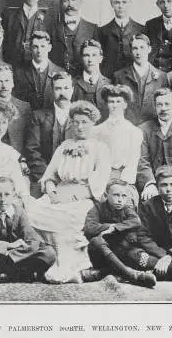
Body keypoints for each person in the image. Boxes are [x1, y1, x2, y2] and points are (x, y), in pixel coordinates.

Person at [26, 101, 111, 283]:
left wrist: (72, 196)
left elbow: (99, 183)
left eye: (84, 122)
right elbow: (49, 176)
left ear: (93, 123)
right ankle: (41, 263)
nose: (79, 127)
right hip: (58, 194)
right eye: (75, 122)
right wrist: (53, 194)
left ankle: (68, 267)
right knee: (31, 212)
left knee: (68, 218)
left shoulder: (100, 148)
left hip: (83, 197)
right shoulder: (64, 146)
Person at [0, 177, 56, 285]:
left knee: (49, 253)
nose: (2, 199)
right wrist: (9, 246)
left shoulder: (19, 211)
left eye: (7, 194)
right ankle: (19, 274)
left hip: (15, 256)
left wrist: (13, 254)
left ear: (14, 196)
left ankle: (2, 276)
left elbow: (32, 239)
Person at [81, 180, 157, 287]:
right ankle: (130, 274)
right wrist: (109, 226)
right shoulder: (97, 209)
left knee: (146, 260)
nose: (120, 200)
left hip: (122, 251)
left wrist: (115, 228)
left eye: (124, 196)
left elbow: (136, 221)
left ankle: (106, 272)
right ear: (106, 195)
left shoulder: (127, 209)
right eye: (116, 195)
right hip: (102, 254)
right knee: (96, 240)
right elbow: (89, 228)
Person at [24, 72, 75, 197]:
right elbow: (32, 150)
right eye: (58, 88)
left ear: (72, 90)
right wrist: (48, 178)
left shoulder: (80, 116)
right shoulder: (39, 116)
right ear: (52, 90)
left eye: (66, 88)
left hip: (73, 177)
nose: (62, 93)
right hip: (42, 175)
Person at [93, 85, 144, 187]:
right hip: (102, 177)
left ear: (125, 104)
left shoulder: (134, 131)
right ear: (107, 104)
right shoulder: (96, 131)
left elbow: (133, 161)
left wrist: (122, 182)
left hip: (125, 178)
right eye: (111, 102)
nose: (115, 105)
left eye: (118, 101)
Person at [112, 34, 169, 125]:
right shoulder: (119, 76)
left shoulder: (162, 76)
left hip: (153, 128)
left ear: (149, 49)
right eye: (135, 48)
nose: (138, 52)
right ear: (131, 51)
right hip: (128, 127)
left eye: (142, 47)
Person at [2, 0, 54, 68]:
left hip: (37, 66)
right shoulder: (10, 16)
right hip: (14, 65)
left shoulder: (48, 18)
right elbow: (5, 44)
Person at [95, 0, 146, 78]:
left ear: (130, 3)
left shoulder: (141, 30)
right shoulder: (102, 31)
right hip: (110, 78)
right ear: (111, 4)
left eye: (124, 2)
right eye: (117, 2)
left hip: (134, 78)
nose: (120, 6)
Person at [49, 0, 97, 75]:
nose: (70, 4)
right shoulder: (52, 29)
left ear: (80, 2)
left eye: (73, 0)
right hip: (60, 79)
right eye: (66, 0)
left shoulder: (92, 28)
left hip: (83, 77)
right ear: (61, 4)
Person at [12, 31, 65, 110]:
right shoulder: (19, 72)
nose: (39, 51)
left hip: (51, 118)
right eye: (35, 47)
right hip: (27, 117)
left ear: (49, 47)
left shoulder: (60, 72)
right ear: (30, 48)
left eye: (43, 46)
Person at [0, 66, 32, 155]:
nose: (4, 86)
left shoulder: (25, 107)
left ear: (13, 83)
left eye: (7, 81)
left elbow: (30, 140)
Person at [73, 40, 112, 117]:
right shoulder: (73, 84)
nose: (90, 60)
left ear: (100, 58)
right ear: (81, 58)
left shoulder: (109, 84)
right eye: (86, 55)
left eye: (94, 55)